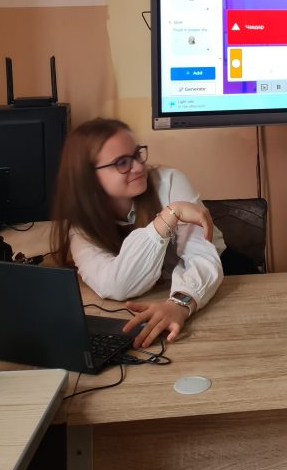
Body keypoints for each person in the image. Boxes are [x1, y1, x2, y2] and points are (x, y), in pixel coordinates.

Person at [51, 117, 225, 349]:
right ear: (89, 176)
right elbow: (116, 285)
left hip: (208, 289)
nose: (138, 167)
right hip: (148, 303)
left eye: (136, 154)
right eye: (122, 162)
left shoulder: (169, 182)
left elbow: (202, 256)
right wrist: (167, 218)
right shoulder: (81, 225)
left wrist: (180, 304)